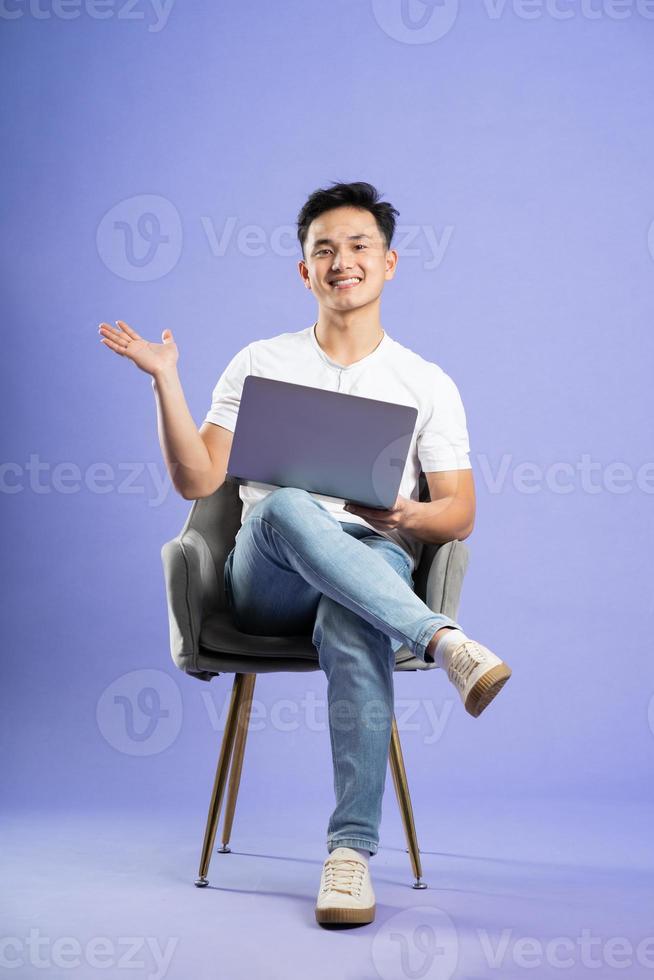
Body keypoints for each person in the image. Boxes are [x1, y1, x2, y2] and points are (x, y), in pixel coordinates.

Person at [98, 180, 511, 928]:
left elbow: (461, 511)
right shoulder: (260, 360)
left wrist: (409, 512)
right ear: (304, 272)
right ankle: (444, 641)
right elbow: (198, 479)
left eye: (358, 247)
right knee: (287, 503)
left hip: (372, 558)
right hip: (269, 573)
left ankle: (349, 856)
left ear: (389, 264)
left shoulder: (426, 381)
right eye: (324, 250)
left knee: (354, 616)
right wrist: (166, 383)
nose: (341, 261)